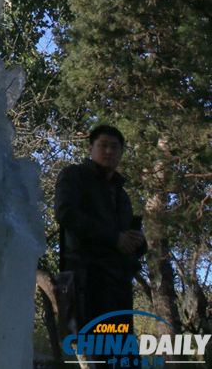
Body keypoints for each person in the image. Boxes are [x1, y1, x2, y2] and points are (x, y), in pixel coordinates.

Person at [54, 124, 147, 332]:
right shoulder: (74, 175)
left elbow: (126, 237)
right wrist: (114, 238)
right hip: (85, 281)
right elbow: (66, 213)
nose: (109, 152)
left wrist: (138, 242)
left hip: (119, 287)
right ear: (90, 148)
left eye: (115, 147)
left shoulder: (121, 195)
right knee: (97, 354)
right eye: (103, 145)